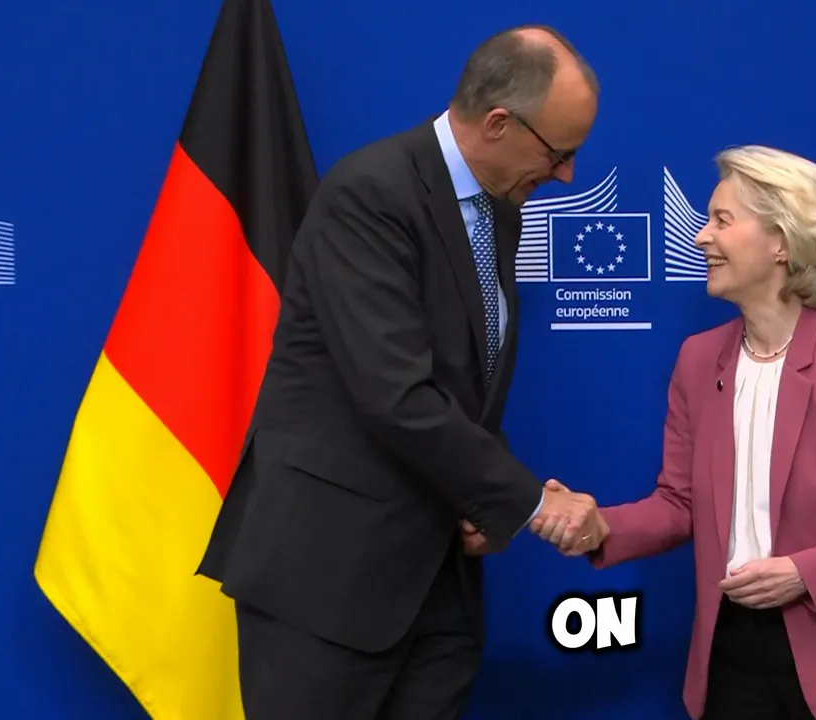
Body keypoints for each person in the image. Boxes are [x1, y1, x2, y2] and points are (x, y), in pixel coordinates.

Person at [196, 25, 604, 720]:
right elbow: (396, 394)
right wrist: (531, 503)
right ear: (499, 123)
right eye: (558, 152)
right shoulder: (371, 194)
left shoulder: (501, 209)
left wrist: (485, 496)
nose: (566, 174)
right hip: (326, 580)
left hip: (436, 582)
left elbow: (463, 391)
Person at [537, 145, 816, 720]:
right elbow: (680, 505)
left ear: (782, 241)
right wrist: (600, 525)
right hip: (731, 658)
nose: (701, 237)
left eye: (721, 221)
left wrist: (804, 573)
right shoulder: (699, 361)